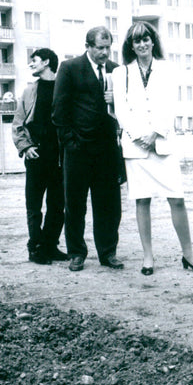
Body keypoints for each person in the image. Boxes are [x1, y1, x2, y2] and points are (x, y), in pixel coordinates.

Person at [111, 21, 193, 275]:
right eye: (136, 41)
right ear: (130, 46)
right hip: (136, 147)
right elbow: (121, 110)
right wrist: (138, 135)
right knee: (142, 201)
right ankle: (148, 257)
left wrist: (156, 132)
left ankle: (189, 255)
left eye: (146, 39)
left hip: (163, 143)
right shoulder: (121, 73)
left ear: (153, 41)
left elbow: (170, 104)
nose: (142, 44)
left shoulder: (167, 69)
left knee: (177, 199)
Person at [52, 26, 123, 272]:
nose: (104, 52)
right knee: (75, 204)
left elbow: (124, 110)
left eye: (107, 47)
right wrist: (70, 142)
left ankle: (107, 252)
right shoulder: (70, 68)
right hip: (78, 150)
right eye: (99, 48)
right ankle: (76, 253)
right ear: (88, 46)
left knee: (109, 205)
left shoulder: (117, 71)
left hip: (107, 151)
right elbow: (59, 111)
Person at [12, 48, 68, 265]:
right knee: (34, 205)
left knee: (57, 205)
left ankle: (50, 246)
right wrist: (26, 147)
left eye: (34, 60)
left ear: (46, 62)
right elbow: (18, 123)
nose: (31, 64)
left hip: (61, 157)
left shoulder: (64, 87)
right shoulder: (29, 91)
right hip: (37, 155)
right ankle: (35, 247)